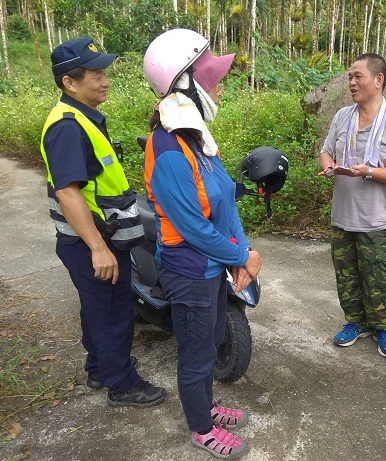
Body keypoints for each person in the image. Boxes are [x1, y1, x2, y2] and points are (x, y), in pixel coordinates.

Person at [143, 28, 262, 459]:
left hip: (213, 265)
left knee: (212, 339)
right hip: (189, 269)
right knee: (195, 353)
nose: (217, 84)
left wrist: (241, 252)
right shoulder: (168, 147)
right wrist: (241, 255)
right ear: (182, 82)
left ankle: (207, 405)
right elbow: (192, 226)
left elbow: (225, 200)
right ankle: (199, 426)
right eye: (208, 77)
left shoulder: (196, 137)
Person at [40, 37, 166, 407]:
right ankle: (122, 383)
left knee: (97, 307)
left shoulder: (82, 118)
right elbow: (68, 192)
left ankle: (99, 366)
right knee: (112, 312)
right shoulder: (68, 126)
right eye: (96, 74)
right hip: (93, 240)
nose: (105, 80)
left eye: (105, 72)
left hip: (98, 237)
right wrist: (98, 248)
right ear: (70, 82)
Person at [318, 53, 386, 358]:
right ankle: (354, 323)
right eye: (350, 76)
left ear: (378, 80)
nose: (351, 82)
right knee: (346, 277)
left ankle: (382, 327)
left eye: (358, 76)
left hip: (377, 222)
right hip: (343, 217)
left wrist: (370, 171)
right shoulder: (342, 117)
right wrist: (329, 165)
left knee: (379, 278)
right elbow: (325, 151)